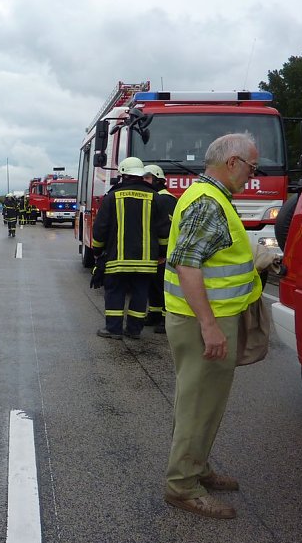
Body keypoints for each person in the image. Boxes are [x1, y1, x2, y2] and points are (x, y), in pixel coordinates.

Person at [163, 133, 262, 519]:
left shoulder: (209, 196)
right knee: (198, 403)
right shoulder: (208, 203)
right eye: (252, 168)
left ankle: (197, 467)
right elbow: (187, 264)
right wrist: (209, 326)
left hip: (206, 316)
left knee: (205, 403)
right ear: (233, 162)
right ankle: (182, 486)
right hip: (202, 321)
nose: (252, 176)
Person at [92, 156, 170, 340]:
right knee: (140, 294)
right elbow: (164, 231)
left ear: (123, 175)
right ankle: (134, 330)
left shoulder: (112, 197)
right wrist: (162, 253)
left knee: (115, 292)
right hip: (146, 261)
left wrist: (97, 251)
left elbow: (100, 229)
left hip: (117, 258)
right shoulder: (155, 197)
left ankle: (113, 329)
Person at [143, 164, 178, 334]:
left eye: (148, 178)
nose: (144, 181)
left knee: (163, 286)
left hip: (165, 253)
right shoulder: (160, 197)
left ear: (158, 180)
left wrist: (162, 253)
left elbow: (165, 228)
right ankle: (155, 313)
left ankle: (165, 318)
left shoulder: (164, 199)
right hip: (158, 250)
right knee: (154, 285)